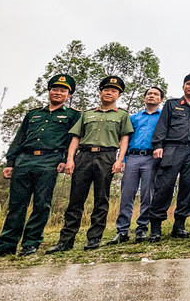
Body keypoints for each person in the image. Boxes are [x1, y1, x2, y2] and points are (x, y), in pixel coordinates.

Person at [0, 75, 81, 258]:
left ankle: (31, 244)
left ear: (69, 94)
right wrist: (10, 163)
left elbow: (72, 140)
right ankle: (6, 245)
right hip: (24, 161)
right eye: (55, 89)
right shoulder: (33, 114)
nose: (58, 92)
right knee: (16, 204)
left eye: (63, 90)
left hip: (49, 161)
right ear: (49, 91)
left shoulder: (73, 115)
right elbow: (19, 138)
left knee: (42, 204)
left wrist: (65, 160)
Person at [47, 76, 132, 252]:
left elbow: (124, 138)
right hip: (84, 157)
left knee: (101, 199)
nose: (109, 93)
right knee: (76, 200)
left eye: (114, 91)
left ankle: (94, 238)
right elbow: (76, 138)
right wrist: (70, 159)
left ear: (119, 95)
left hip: (106, 157)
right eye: (106, 90)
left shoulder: (122, 115)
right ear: (101, 92)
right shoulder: (86, 114)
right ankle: (66, 240)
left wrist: (119, 160)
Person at [147, 73, 190, 242]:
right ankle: (156, 228)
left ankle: (179, 226)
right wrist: (158, 145)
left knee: (188, 187)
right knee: (164, 187)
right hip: (172, 149)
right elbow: (162, 125)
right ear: (183, 87)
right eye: (188, 84)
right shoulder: (172, 104)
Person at [107, 86, 164, 245]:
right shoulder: (133, 118)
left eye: (156, 94)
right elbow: (124, 140)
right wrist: (122, 160)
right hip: (132, 158)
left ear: (160, 99)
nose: (152, 96)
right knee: (127, 194)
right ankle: (122, 230)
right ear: (144, 97)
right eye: (149, 94)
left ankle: (142, 229)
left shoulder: (163, 118)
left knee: (148, 195)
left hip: (151, 159)